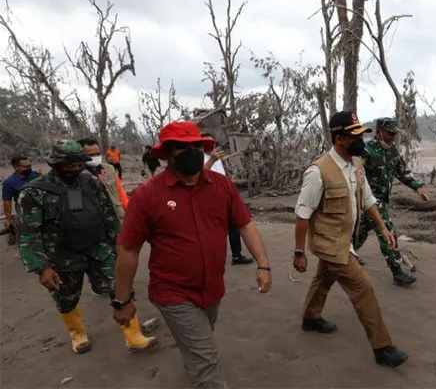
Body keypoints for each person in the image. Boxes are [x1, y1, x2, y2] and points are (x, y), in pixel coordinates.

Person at [112, 121, 272, 388]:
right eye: (182, 147)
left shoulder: (222, 186)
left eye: (196, 146)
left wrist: (263, 265)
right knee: (207, 364)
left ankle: (196, 364)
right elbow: (128, 250)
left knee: (201, 342)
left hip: (212, 289)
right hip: (173, 293)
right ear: (166, 154)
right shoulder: (147, 196)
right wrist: (122, 300)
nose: (192, 152)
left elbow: (245, 224)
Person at [16, 139, 155, 354]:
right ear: (55, 164)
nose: (75, 169)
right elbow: (28, 233)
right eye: (69, 166)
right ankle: (77, 333)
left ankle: (133, 335)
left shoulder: (90, 182)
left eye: (78, 165)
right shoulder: (34, 192)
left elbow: (108, 214)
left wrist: (119, 244)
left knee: (119, 287)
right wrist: (42, 267)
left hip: (98, 248)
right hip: (61, 255)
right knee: (66, 296)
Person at [293, 111, 409, 368]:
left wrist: (384, 229)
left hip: (345, 241)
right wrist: (299, 252)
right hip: (331, 243)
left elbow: (367, 199)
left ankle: (310, 318)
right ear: (340, 139)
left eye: (361, 134)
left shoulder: (356, 165)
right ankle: (382, 347)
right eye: (355, 135)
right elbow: (302, 214)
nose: (361, 140)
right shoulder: (318, 171)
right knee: (363, 288)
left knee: (324, 278)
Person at [354, 117, 426, 287]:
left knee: (362, 231)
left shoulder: (392, 151)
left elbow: (402, 171)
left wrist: (416, 187)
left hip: (383, 201)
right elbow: (354, 174)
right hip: (370, 201)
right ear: (379, 132)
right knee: (388, 233)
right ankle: (397, 272)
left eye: (395, 133)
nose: (393, 136)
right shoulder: (367, 151)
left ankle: (346, 254)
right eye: (390, 133)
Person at [201, 133, 254, 266]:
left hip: (223, 197)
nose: (211, 145)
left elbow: (222, 175)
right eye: (207, 143)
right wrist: (211, 160)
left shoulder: (217, 157)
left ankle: (236, 255)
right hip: (209, 198)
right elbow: (200, 177)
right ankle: (207, 256)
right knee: (215, 229)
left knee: (234, 225)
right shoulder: (201, 158)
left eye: (212, 142)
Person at [78, 137, 129, 227]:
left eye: (98, 154)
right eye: (91, 155)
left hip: (115, 217)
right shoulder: (77, 174)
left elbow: (120, 191)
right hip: (93, 222)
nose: (95, 157)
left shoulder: (109, 169)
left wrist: (129, 210)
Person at [2, 155, 40, 245]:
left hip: (40, 206)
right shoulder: (9, 183)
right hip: (24, 211)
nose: (29, 168)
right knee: (29, 237)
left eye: (29, 166)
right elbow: (7, 202)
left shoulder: (34, 175)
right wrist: (8, 219)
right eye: (25, 167)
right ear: (16, 167)